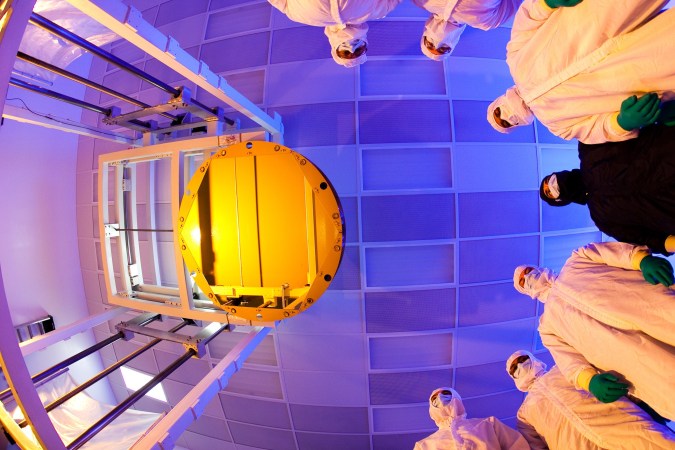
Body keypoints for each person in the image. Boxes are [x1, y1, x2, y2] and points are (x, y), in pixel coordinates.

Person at [513, 241, 675, 420]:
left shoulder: (577, 260)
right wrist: (589, 381)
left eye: (528, 271)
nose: (528, 277)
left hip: (653, 306)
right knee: (667, 377)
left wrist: (641, 260)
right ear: (526, 291)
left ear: (537, 267)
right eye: (523, 281)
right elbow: (569, 363)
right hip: (634, 357)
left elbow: (614, 253)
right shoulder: (548, 328)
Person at [487, 0, 674, 144]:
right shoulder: (559, 126)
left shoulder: (515, 59)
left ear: (498, 101)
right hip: (632, 70)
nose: (507, 116)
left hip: (597, 16)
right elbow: (598, 130)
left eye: (499, 113)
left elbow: (528, 19)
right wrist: (622, 123)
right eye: (506, 123)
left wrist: (547, 4)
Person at [539, 122, 675, 254]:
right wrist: (668, 244)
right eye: (549, 192)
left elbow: (619, 123)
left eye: (549, 180)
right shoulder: (601, 219)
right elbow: (643, 238)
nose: (551, 185)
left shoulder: (589, 149)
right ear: (561, 201)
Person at [507, 350, 675, 449]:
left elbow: (613, 381)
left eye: (523, 360)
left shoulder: (564, 369)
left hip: (625, 426)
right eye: (515, 367)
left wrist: (648, 405)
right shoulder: (524, 414)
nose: (521, 366)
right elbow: (536, 446)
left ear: (533, 358)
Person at [267, 0, 401, 67]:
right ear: (365, 43)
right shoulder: (377, 11)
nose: (351, 47)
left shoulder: (303, 16)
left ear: (334, 47)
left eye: (345, 53)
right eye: (358, 50)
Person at [414, 387, 529, 449]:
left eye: (445, 393)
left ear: (457, 399)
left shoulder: (488, 424)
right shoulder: (424, 445)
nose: (440, 397)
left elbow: (518, 446)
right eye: (434, 398)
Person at [412, 0, 521, 60]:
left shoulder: (421, 1)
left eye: (430, 44)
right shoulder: (487, 21)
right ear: (453, 44)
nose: (438, 41)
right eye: (443, 49)